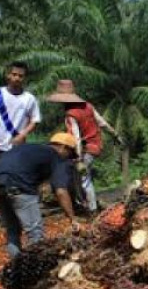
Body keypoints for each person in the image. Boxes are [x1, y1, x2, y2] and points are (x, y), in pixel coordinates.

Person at [0, 133, 81, 258]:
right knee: (35, 234)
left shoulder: (26, 148)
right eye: (70, 154)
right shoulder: (56, 157)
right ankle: (36, 271)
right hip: (18, 187)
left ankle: (17, 268)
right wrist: (72, 218)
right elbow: (61, 190)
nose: (69, 159)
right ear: (63, 147)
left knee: (13, 229)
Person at [47, 79, 122, 212]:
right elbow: (102, 123)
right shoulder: (88, 106)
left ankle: (91, 209)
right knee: (79, 177)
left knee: (84, 179)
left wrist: (78, 156)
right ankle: (83, 204)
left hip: (85, 149)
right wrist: (115, 135)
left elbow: (75, 136)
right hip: (96, 145)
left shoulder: (71, 114)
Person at [0, 61, 41, 165]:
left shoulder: (30, 98)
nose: (17, 78)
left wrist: (22, 135)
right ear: (8, 75)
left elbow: (35, 120)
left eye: (20, 76)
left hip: (17, 147)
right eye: (14, 74)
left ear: (24, 78)